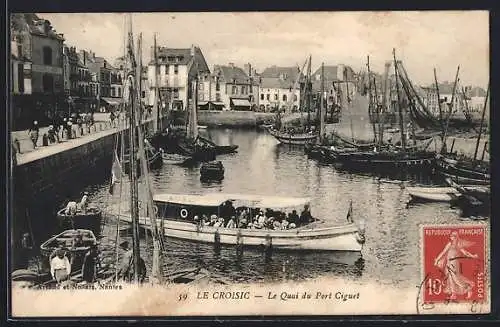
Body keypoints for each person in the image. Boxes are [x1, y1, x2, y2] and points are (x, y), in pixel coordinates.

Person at [434, 231, 478, 300]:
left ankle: (468, 288)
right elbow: (443, 252)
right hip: (448, 263)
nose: (452, 237)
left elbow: (465, 253)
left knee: (456, 278)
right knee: (450, 278)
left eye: (453, 236)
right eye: (451, 236)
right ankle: (453, 294)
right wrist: (437, 260)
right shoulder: (449, 244)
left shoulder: (458, 245)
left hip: (454, 263)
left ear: (456, 237)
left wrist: (473, 256)